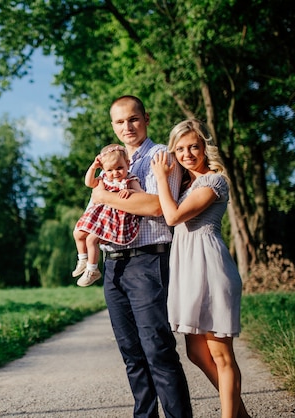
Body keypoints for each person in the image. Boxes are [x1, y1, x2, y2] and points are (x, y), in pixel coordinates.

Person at [90, 95, 193, 417]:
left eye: (133, 119)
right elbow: (93, 212)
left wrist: (104, 194)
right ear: (112, 126)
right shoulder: (110, 158)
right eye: (120, 122)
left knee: (158, 350)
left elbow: (156, 207)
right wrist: (106, 197)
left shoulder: (161, 155)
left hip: (148, 260)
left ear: (146, 118)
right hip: (113, 265)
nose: (127, 126)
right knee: (131, 354)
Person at [151, 119, 250, 418]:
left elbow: (173, 216)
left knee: (221, 355)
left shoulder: (214, 181)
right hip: (186, 270)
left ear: (205, 147)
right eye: (180, 148)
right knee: (196, 353)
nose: (187, 153)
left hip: (210, 267)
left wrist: (159, 178)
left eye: (194, 146)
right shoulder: (184, 185)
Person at [72, 144, 144, 287]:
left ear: (128, 164)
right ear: (104, 169)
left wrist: (130, 192)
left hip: (115, 218)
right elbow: (89, 183)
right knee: (78, 233)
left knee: (91, 239)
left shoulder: (129, 180)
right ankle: (83, 259)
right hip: (101, 215)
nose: (115, 173)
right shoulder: (104, 178)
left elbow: (142, 194)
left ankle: (93, 270)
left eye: (119, 168)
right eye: (109, 170)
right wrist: (93, 167)